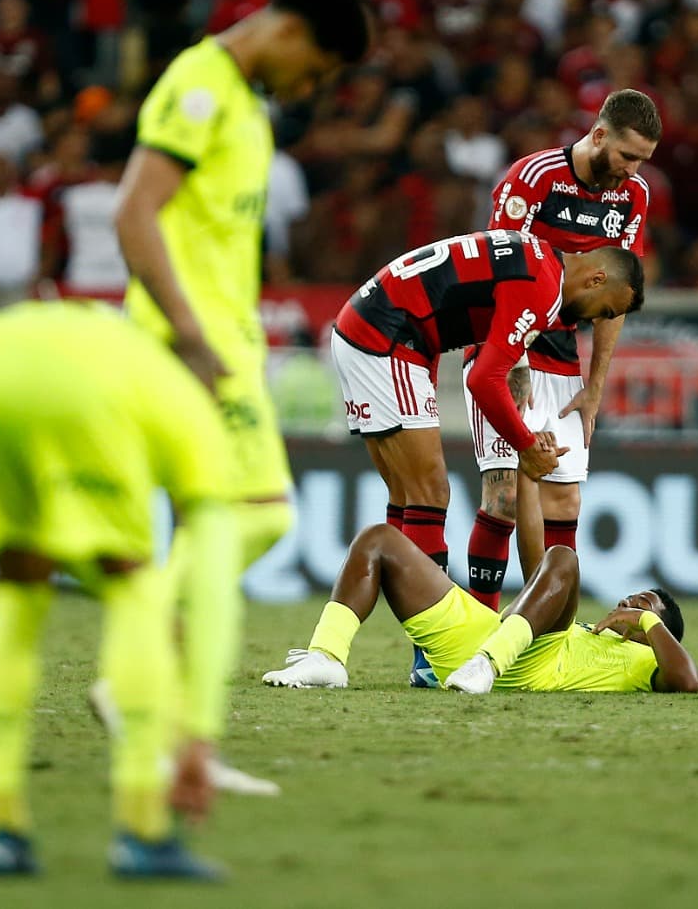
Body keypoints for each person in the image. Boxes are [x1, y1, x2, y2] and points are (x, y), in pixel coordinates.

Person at [111, 0, 371, 780]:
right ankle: (135, 676)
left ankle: (165, 728)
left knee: (213, 524)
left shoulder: (245, 104)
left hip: (221, 342)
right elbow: (132, 211)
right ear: (290, 32)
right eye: (317, 71)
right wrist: (190, 333)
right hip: (193, 345)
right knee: (259, 514)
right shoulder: (200, 83)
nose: (309, 87)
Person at [0, 301, 243, 880]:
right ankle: (143, 830)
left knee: (18, 584)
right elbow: (216, 588)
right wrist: (199, 732)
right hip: (72, 392)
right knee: (134, 588)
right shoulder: (190, 415)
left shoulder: (126, 351)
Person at [262, 230, 646, 690]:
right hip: (391, 335)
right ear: (596, 278)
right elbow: (486, 377)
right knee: (430, 493)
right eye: (604, 310)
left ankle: (382, 644)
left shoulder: (538, 258)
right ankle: (429, 653)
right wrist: (525, 445)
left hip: (369, 326)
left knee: (407, 498)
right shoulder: (545, 288)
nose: (592, 321)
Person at [459, 90, 660, 638]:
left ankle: (550, 637)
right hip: (503, 349)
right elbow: (500, 270)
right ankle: (466, 637)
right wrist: (512, 366)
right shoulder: (534, 178)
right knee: (503, 496)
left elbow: (615, 297)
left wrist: (595, 389)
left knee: (566, 494)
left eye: (642, 159)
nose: (633, 171)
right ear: (599, 135)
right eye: (627, 156)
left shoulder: (632, 197)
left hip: (564, 361)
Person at [277, 524, 698, 695]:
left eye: (643, 605)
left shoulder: (644, 660)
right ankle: (325, 657)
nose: (628, 605)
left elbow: (688, 682)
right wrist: (528, 473)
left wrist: (645, 622)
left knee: (565, 558)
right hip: (478, 633)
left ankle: (487, 665)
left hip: (526, 661)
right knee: (377, 540)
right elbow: (541, 568)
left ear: (658, 631)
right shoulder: (590, 628)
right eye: (632, 600)